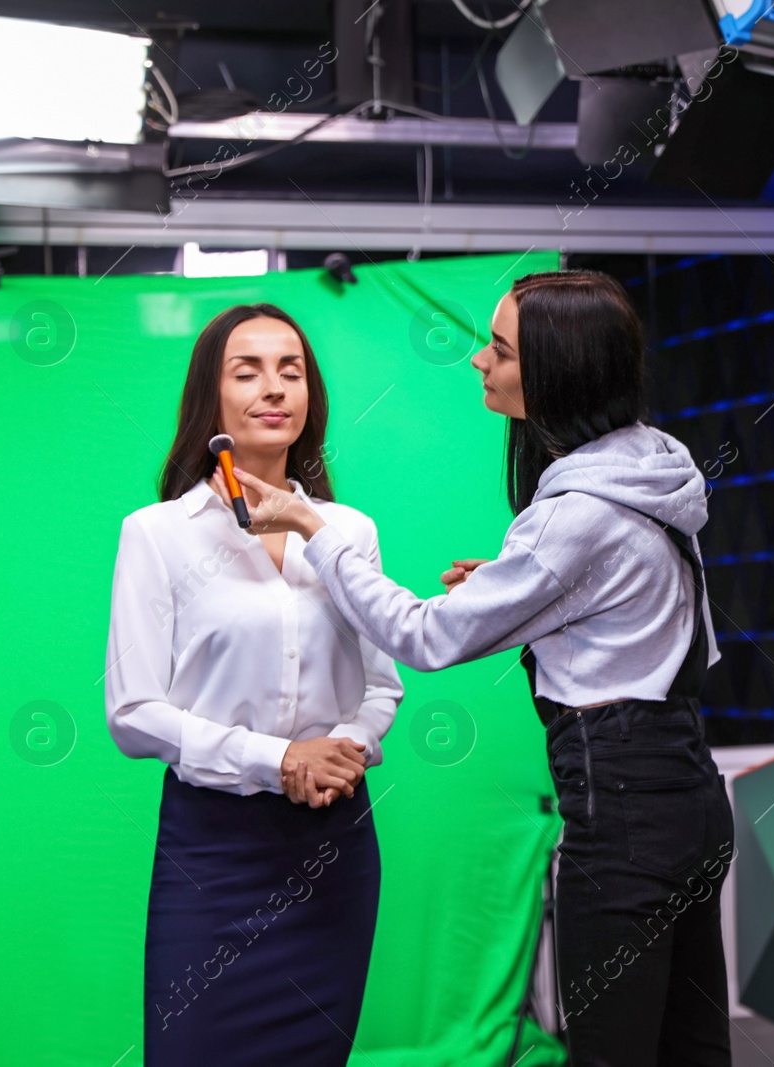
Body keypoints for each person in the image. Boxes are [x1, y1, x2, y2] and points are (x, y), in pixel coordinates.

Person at [213, 269, 736, 1066]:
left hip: (625, 816)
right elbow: (638, 614)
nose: (478, 363)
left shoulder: (574, 516)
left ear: (558, 371)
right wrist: (517, 585)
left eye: (499, 349)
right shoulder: (652, 471)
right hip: (691, 799)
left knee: (612, 1052)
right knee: (692, 1050)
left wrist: (313, 527)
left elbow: (423, 639)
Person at [104, 303, 403, 1066]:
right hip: (214, 855)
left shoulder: (349, 531)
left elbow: (382, 683)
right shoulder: (158, 532)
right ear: (213, 396)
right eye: (249, 371)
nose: (275, 388)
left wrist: (344, 748)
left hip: (333, 846)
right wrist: (279, 759)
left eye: (291, 370)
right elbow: (133, 712)